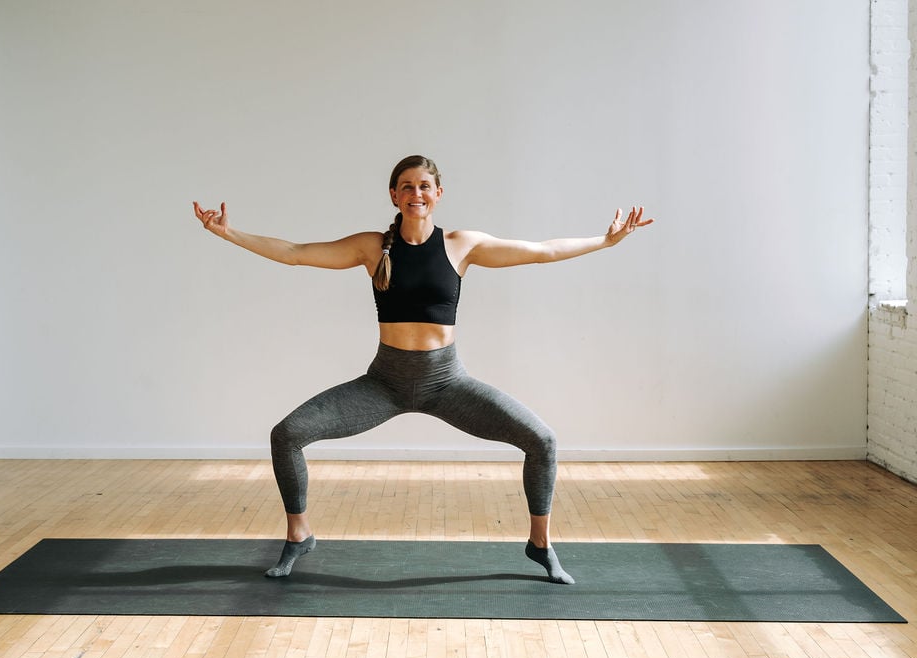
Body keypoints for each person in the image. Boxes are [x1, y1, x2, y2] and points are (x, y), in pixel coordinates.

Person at [193, 155, 652, 584]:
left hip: (446, 382)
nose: (417, 193)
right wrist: (229, 234)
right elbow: (295, 251)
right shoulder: (372, 247)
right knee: (287, 433)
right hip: (384, 383)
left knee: (542, 440)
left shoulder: (462, 246)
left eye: (425, 186)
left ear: (439, 193)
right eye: (407, 186)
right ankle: (299, 535)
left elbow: (540, 251)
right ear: (394, 195)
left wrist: (605, 240)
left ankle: (540, 544)